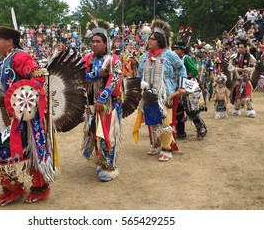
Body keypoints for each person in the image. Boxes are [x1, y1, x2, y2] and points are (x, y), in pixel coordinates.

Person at [0, 26, 51, 205]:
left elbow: (39, 75)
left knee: (32, 150)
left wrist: (22, 100)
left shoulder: (19, 57)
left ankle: (40, 187)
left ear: (9, 41)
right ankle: (12, 188)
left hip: (24, 116)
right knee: (1, 149)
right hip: (5, 115)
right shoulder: (2, 60)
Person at [132, 19, 187, 162]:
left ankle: (166, 148)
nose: (149, 41)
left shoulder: (169, 55)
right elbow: (139, 75)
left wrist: (181, 86)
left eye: (152, 39)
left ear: (160, 41)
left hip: (166, 94)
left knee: (165, 121)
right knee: (152, 120)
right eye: (149, 38)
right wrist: (139, 88)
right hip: (149, 93)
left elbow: (181, 68)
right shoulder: (144, 57)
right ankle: (155, 144)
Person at [81, 19, 123, 182]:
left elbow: (115, 79)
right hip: (91, 102)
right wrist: (96, 74)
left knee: (107, 134)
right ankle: (100, 160)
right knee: (94, 133)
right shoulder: (88, 60)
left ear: (106, 44)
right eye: (92, 41)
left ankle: (108, 166)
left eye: (98, 41)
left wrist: (102, 98)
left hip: (109, 104)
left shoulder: (114, 60)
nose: (94, 44)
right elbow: (80, 76)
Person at [172, 40, 207, 140]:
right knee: (178, 110)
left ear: (182, 50)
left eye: (177, 49)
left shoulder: (185, 58)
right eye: (175, 49)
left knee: (192, 110)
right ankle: (180, 132)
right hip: (177, 88)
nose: (175, 51)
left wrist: (185, 78)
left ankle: (200, 131)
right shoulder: (174, 59)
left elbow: (195, 70)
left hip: (188, 88)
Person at [228, 39, 257, 117]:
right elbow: (229, 66)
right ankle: (236, 109)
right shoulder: (234, 56)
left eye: (241, 47)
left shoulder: (250, 57)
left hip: (245, 79)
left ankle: (250, 110)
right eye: (239, 47)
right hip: (236, 79)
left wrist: (247, 69)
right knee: (236, 94)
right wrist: (237, 69)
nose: (239, 49)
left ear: (245, 48)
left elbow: (254, 67)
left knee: (247, 94)